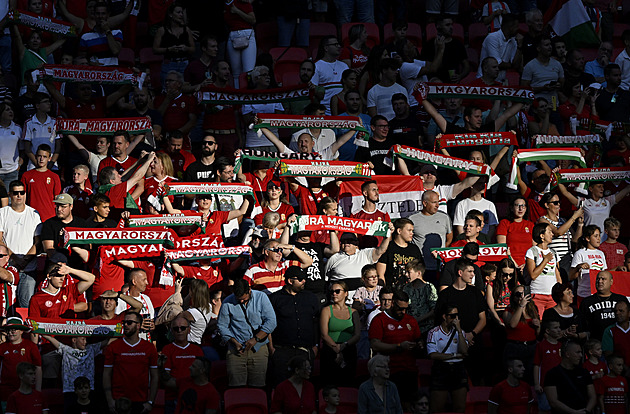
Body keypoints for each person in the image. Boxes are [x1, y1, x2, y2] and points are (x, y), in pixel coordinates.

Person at [217, 278, 277, 388]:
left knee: (258, 385)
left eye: (244, 299)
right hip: (236, 348)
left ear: (249, 290)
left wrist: (256, 339)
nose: (240, 301)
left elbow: (271, 322)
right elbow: (222, 325)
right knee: (236, 385)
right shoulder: (227, 302)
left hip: (259, 347)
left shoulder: (261, 297)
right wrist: (234, 341)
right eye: (238, 299)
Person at [268, 266, 320, 386]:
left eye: (304, 278)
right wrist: (271, 348)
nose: (304, 281)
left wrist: (315, 345)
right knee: (281, 384)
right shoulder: (274, 299)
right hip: (282, 350)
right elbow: (268, 324)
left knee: (305, 385)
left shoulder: (311, 298)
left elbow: (316, 321)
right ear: (290, 281)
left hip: (305, 350)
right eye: (300, 279)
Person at [369, 289, 421, 406]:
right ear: (392, 303)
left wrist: (419, 345)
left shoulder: (411, 321)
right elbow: (375, 345)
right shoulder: (379, 320)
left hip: (409, 371)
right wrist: (398, 347)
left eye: (405, 309)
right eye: (400, 308)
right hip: (390, 371)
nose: (403, 312)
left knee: (410, 405)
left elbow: (418, 340)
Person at [103, 311, 159, 413]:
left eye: (129, 322)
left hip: (141, 401)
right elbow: (106, 373)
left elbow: (155, 375)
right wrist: (110, 400)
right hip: (118, 401)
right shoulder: (113, 347)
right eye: (124, 322)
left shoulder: (149, 348)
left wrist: (150, 402)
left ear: (138, 326)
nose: (125, 325)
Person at [40, 333, 108, 408]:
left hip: (88, 390)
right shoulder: (66, 349)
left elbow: (108, 341)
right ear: (74, 340)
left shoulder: (91, 349)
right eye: (83, 339)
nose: (85, 342)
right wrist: (37, 329)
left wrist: (119, 332)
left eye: (86, 339)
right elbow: (51, 339)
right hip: (70, 390)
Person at [0, 181, 40, 308]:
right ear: (9, 194)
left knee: (25, 306)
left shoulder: (34, 214)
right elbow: (0, 240)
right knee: (5, 306)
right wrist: (15, 258)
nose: (19, 196)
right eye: (15, 193)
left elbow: (38, 242)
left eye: (21, 192)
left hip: (29, 269)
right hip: (8, 268)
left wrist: (25, 260)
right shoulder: (2, 213)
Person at [427, 304, 469, 413]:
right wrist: (453, 356)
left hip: (458, 369)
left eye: (457, 316)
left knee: (460, 408)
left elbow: (464, 351)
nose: (455, 319)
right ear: (444, 316)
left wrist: (459, 331)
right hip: (441, 369)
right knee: (437, 407)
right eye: (452, 316)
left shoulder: (461, 332)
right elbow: (433, 354)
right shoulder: (434, 333)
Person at [320, 281, 361, 386]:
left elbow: (357, 335)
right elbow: (324, 334)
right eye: (332, 292)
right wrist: (336, 347)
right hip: (330, 349)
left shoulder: (353, 312)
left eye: (337, 291)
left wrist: (344, 345)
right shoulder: (326, 310)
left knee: (348, 382)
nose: (334, 294)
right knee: (330, 383)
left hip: (348, 349)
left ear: (346, 293)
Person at [160, 316, 204, 413]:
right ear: (171, 331)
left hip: (195, 397)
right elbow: (166, 378)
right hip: (173, 398)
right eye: (176, 329)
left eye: (183, 328)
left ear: (189, 330)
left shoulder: (197, 350)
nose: (179, 331)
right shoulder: (167, 350)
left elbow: (202, 376)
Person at [408, 191, 452, 283]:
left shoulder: (444, 217)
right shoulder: (412, 219)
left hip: (440, 267)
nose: (437, 205)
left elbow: (449, 238)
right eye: (434, 202)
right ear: (425, 203)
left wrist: (441, 253)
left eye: (438, 202)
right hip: (420, 268)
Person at [538, 192, 584, 277]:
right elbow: (557, 232)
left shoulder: (563, 220)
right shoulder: (542, 220)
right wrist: (573, 217)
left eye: (559, 202)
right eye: (555, 203)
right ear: (547, 205)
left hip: (568, 258)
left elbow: (575, 239)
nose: (558, 205)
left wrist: (580, 224)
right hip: (554, 259)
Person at [544, 341, 597, 414]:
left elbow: (592, 396)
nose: (581, 355)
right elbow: (553, 401)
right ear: (567, 354)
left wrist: (586, 411)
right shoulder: (552, 374)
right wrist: (573, 412)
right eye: (577, 352)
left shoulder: (584, 372)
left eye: (581, 352)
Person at [28, 263, 94, 318]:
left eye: (64, 276)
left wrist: (70, 270)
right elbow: (34, 324)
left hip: (68, 332)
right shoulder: (36, 298)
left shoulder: (69, 291)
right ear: (49, 276)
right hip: (49, 333)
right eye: (58, 276)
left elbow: (91, 279)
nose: (62, 279)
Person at [502, 285, 540, 381]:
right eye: (517, 295)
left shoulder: (532, 310)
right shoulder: (508, 311)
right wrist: (521, 306)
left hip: (531, 346)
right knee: (516, 375)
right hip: (515, 347)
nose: (521, 297)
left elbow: (538, 334)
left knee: (530, 376)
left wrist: (538, 326)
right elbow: (512, 325)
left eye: (523, 294)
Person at [0, 317, 41, 404]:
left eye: (14, 330)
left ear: (21, 331)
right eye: (9, 330)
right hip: (6, 391)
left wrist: (38, 390)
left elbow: (38, 367)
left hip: (27, 389)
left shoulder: (31, 346)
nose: (11, 332)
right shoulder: (2, 347)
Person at [152, 3, 195, 86]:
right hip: (169, 64)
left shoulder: (186, 30)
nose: (181, 15)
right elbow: (155, 49)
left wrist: (186, 48)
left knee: (184, 89)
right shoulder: (162, 30)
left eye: (182, 13)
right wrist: (168, 49)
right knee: (167, 89)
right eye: (178, 12)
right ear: (171, 14)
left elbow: (193, 48)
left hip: (184, 63)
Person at [580, 270, 629, 341]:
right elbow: (582, 324)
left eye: (603, 279)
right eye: (598, 279)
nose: (600, 281)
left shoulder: (621, 299)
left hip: (620, 341)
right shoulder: (587, 302)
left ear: (611, 282)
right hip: (596, 344)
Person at [525, 223, 562, 317]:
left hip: (552, 296)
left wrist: (560, 291)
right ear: (542, 235)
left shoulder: (553, 252)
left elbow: (557, 273)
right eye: (549, 231)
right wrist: (545, 260)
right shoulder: (532, 251)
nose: (552, 234)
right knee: (538, 322)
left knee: (552, 322)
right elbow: (533, 275)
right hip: (537, 294)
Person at [477, 13, 522, 83]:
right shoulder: (492, 38)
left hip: (500, 82)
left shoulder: (514, 41)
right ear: (510, 27)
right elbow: (497, 64)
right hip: (484, 81)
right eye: (516, 27)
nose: (518, 29)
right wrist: (511, 65)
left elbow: (516, 65)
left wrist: (520, 47)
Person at [376, 218, 421, 287]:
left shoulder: (414, 249)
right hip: (392, 291)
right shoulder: (388, 248)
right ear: (399, 231)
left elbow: (419, 273)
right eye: (409, 230)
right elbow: (380, 274)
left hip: (412, 291)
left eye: (412, 230)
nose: (412, 233)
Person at [570, 225, 609, 304]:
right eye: (595, 236)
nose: (599, 238)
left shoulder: (601, 253)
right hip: (584, 294)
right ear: (587, 238)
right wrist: (578, 267)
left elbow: (604, 272)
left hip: (599, 293)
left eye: (599, 235)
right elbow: (571, 276)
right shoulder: (580, 253)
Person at [22, 144, 61, 222]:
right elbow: (23, 197)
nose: (41, 159)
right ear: (36, 156)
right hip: (31, 216)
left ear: (49, 159)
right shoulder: (26, 175)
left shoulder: (54, 177)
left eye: (45, 157)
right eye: (39, 156)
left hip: (49, 216)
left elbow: (57, 198)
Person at [312, 36, 349, 114]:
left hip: (344, 112)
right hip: (325, 113)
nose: (339, 46)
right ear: (326, 48)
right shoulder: (316, 66)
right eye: (335, 44)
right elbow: (313, 90)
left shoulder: (344, 66)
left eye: (338, 44)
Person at [533, 319, 563, 413]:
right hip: (544, 386)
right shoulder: (541, 346)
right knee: (545, 409)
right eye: (555, 328)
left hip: (560, 385)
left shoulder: (562, 346)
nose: (559, 330)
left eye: (559, 327)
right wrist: (537, 384)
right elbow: (537, 365)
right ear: (547, 331)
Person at [350, 180, 391, 248]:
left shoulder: (383, 214)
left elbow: (389, 237)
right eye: (373, 190)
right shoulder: (355, 215)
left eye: (377, 190)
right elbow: (353, 237)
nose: (377, 193)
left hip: (380, 253)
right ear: (365, 193)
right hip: (362, 253)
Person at [496, 197, 535, 268]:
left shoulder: (530, 225)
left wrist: (527, 265)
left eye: (523, 206)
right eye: (517, 205)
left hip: (528, 264)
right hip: (510, 264)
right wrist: (514, 265)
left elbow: (534, 247)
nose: (520, 209)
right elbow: (502, 247)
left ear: (526, 208)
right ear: (511, 208)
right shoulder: (504, 223)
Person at [225, 0, 256, 87]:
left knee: (248, 71)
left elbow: (253, 20)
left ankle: (248, 94)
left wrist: (237, 11)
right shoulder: (225, 5)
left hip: (247, 34)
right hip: (233, 35)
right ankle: (238, 94)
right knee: (236, 72)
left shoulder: (243, 2)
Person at [402, 260, 437, 336]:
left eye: (409, 272)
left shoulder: (429, 288)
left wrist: (418, 319)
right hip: (410, 328)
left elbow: (434, 310)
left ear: (418, 273)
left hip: (426, 329)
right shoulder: (406, 288)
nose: (406, 275)